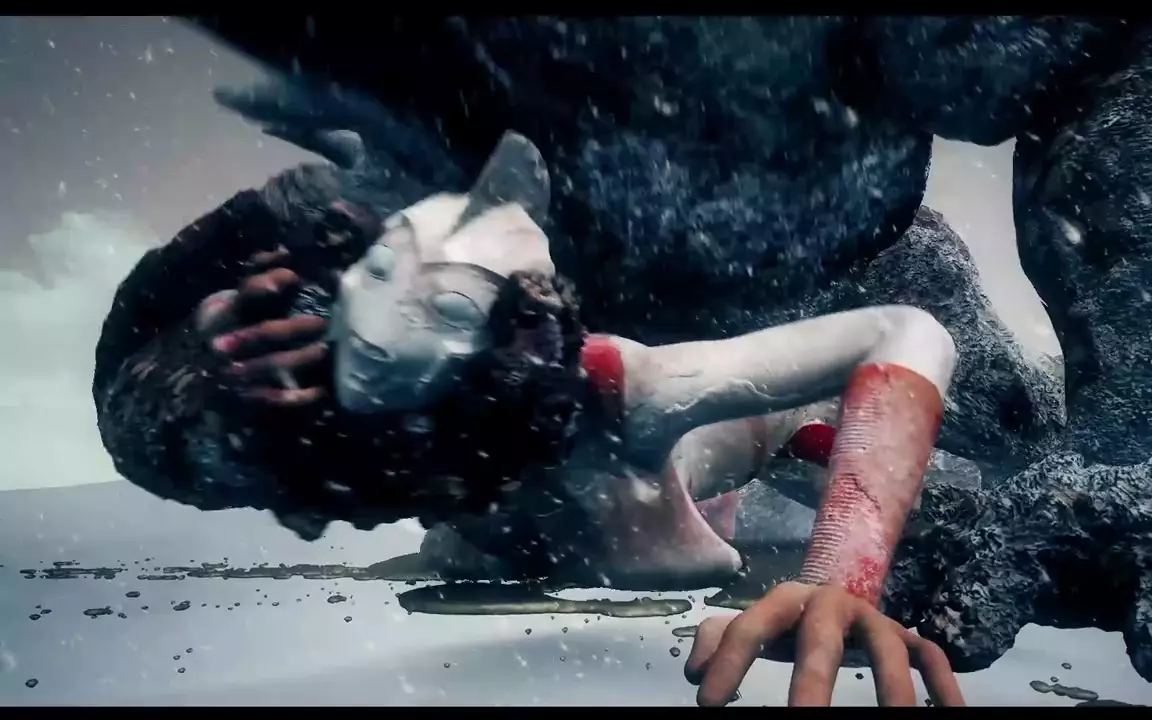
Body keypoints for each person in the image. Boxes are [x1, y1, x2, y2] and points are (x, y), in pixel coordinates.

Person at [94, 133, 964, 706]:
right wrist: (185, 368)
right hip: (590, 490)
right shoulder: (403, 443)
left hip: (747, 443)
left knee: (818, 452)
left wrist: (844, 575)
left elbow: (905, 331)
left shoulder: (615, 395)